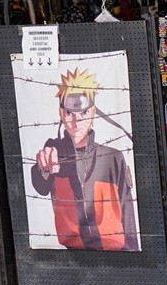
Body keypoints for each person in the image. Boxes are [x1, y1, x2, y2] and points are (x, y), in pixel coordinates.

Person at [32, 67, 139, 252]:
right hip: (74, 255)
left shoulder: (112, 157)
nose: (76, 122)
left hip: (117, 253)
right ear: (61, 114)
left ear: (93, 112)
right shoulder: (54, 152)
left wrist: (133, 251)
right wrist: (44, 170)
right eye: (69, 114)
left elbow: (127, 211)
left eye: (82, 113)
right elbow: (40, 184)